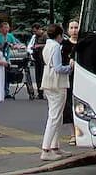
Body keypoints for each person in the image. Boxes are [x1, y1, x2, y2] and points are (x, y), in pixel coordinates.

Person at [39, 23, 73, 161]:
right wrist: (70, 67)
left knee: (56, 116)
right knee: (54, 117)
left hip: (48, 80)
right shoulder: (56, 47)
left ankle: (55, 147)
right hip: (57, 82)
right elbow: (59, 68)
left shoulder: (47, 46)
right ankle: (46, 149)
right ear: (59, 35)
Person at [60, 19, 80, 143]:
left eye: (76, 27)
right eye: (71, 28)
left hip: (84, 80)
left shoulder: (84, 43)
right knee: (70, 106)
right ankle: (73, 134)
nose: (74, 30)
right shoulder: (65, 45)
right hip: (70, 79)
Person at [27, 24, 45, 100]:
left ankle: (43, 92)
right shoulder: (35, 37)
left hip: (43, 58)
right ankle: (39, 92)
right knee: (38, 76)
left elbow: (49, 44)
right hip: (37, 58)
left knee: (42, 75)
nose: (34, 33)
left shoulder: (45, 35)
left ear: (39, 29)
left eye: (35, 31)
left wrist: (39, 46)